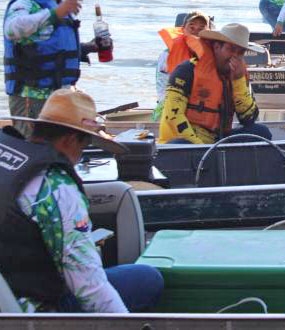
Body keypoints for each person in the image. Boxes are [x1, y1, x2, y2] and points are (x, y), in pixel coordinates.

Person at [0, 88, 163, 312]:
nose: (81, 155)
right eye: (84, 145)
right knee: (147, 279)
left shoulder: (7, 156)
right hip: (32, 309)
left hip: (9, 287)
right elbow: (90, 288)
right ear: (70, 139)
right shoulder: (56, 187)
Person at [4, 0, 104, 133]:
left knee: (53, 153)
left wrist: (88, 48)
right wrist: (54, 14)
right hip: (30, 98)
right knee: (33, 152)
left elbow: (49, 47)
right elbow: (13, 29)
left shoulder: (56, 6)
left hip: (59, 97)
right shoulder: (25, 4)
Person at [158, 23, 272, 143]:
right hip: (190, 141)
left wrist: (238, 82)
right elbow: (173, 116)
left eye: (240, 52)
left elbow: (249, 119)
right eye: (231, 49)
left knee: (261, 132)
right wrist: (200, 147)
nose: (235, 56)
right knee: (179, 144)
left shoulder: (239, 74)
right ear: (217, 47)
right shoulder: (187, 70)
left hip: (219, 141)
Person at [155, 10, 210, 107]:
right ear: (183, 29)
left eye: (202, 27)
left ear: (209, 31)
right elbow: (162, 89)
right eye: (192, 26)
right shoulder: (167, 55)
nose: (196, 29)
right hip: (172, 105)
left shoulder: (214, 54)